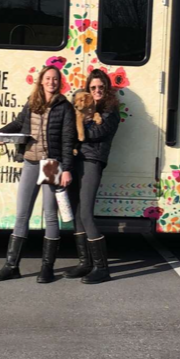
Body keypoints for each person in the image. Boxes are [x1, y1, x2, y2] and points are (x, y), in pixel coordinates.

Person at [0, 65, 76, 283]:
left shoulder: (64, 107)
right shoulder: (33, 101)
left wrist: (66, 168)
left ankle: (47, 267)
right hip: (30, 161)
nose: (51, 82)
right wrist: (0, 134)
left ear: (59, 82)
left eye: (55, 79)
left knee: (49, 216)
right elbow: (19, 123)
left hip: (51, 164)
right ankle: (11, 266)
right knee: (22, 214)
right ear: (41, 80)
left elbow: (67, 139)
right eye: (48, 78)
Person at [64, 69, 120, 284]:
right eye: (93, 88)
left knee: (86, 212)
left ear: (106, 90)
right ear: (88, 89)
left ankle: (102, 267)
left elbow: (98, 133)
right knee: (77, 212)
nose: (97, 91)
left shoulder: (111, 110)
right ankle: (84, 263)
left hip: (93, 161)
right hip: (76, 160)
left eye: (101, 87)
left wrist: (76, 127)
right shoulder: (83, 105)